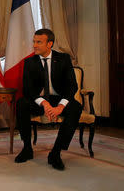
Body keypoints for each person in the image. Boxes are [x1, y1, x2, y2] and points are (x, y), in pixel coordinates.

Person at [14, 28, 82, 170]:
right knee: (21, 103)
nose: (34, 45)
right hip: (38, 100)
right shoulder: (29, 62)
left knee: (75, 107)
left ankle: (55, 153)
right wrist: (44, 103)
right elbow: (28, 89)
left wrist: (60, 107)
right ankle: (27, 148)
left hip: (59, 99)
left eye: (39, 42)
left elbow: (72, 86)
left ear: (49, 44)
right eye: (34, 41)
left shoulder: (63, 59)